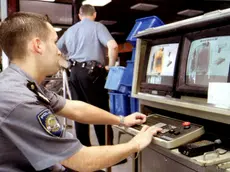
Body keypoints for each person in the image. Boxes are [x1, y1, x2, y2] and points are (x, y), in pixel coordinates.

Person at [0, 12, 162, 172]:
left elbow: (75, 108)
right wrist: (136, 144)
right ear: (38, 45)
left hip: (76, 75)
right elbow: (81, 160)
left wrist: (121, 120)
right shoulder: (20, 99)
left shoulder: (22, 83)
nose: (59, 51)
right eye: (54, 42)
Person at [57, 4, 118, 147]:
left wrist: (68, 65)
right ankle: (107, 149)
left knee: (79, 112)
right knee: (101, 110)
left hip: (75, 74)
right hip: (93, 74)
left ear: (79, 15)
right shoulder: (97, 26)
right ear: (94, 14)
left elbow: (56, 51)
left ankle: (84, 148)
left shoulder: (70, 31)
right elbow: (113, 46)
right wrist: (111, 66)